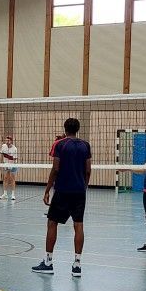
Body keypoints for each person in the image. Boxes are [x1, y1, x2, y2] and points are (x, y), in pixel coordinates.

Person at [34, 118, 91, 277]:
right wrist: (84, 187)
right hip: (79, 191)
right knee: (78, 225)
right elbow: (88, 170)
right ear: (78, 129)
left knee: (52, 223)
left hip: (62, 191)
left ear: (65, 129)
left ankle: (48, 263)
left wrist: (47, 190)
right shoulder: (85, 145)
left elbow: (55, 169)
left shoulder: (60, 145)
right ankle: (77, 265)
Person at [0, 136, 19, 200]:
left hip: (12, 164)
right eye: (6, 140)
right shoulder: (3, 146)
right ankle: (5, 194)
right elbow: (2, 154)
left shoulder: (14, 149)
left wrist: (13, 167)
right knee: (5, 178)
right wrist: (1, 164)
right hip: (5, 164)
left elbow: (15, 159)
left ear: (11, 141)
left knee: (12, 179)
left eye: (8, 140)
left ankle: (13, 195)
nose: (7, 142)